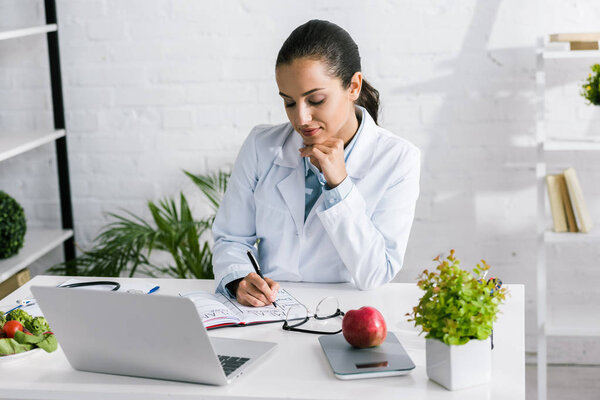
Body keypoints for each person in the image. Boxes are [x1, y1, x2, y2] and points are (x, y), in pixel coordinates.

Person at [212, 19, 420, 307]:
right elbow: (232, 238)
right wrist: (238, 279)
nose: (301, 119)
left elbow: (375, 272)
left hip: (345, 314)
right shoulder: (262, 146)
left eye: (316, 100)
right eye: (289, 102)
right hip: (268, 312)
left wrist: (339, 185)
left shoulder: (398, 159)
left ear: (353, 86)